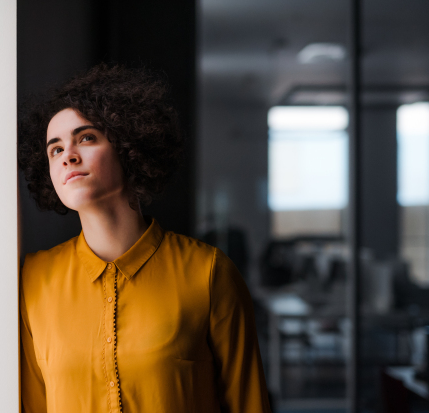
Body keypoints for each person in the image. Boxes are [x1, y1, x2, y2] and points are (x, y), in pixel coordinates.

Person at [17, 64, 271, 413]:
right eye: (55, 149)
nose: (68, 157)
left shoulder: (209, 273)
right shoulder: (33, 279)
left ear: (127, 145)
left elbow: (249, 404)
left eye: (86, 138)